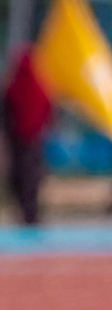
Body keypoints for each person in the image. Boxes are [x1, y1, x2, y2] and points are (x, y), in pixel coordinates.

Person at [3, 44, 52, 225]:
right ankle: (29, 213)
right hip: (32, 141)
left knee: (22, 178)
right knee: (30, 179)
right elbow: (48, 110)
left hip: (20, 142)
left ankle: (27, 213)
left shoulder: (13, 88)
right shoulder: (38, 87)